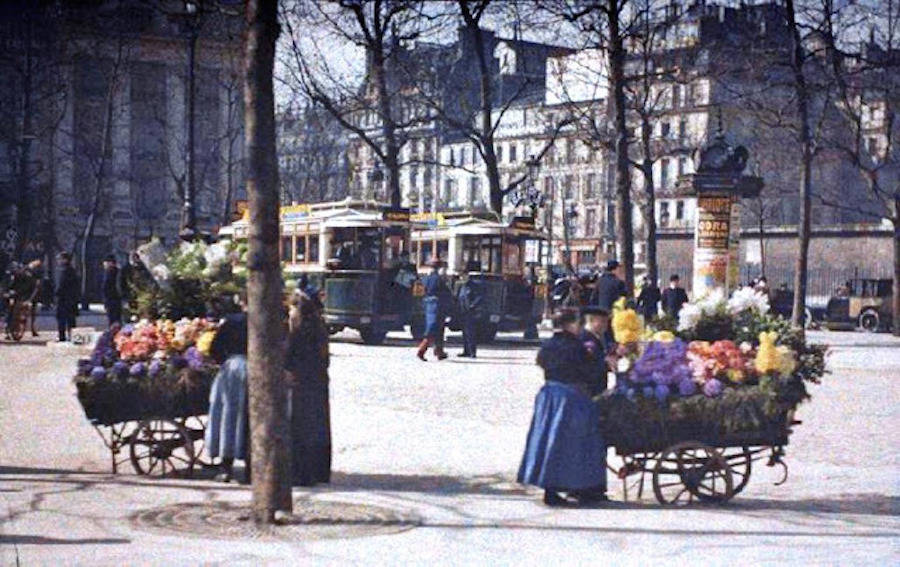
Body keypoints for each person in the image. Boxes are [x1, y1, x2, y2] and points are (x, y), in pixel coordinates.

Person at [517, 309, 607, 507]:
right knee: (575, 443)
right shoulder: (575, 346)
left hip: (549, 396)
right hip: (571, 398)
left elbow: (541, 362)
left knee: (549, 441)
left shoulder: (548, 345)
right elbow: (589, 372)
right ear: (570, 325)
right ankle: (580, 486)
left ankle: (550, 488)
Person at [285, 291, 332, 486]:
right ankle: (319, 471)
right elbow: (324, 358)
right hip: (318, 381)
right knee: (318, 427)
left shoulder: (297, 330)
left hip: (301, 383)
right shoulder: (319, 327)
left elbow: (289, 355)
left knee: (300, 428)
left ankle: (301, 473)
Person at [206, 294, 250, 483]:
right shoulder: (269, 320)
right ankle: (252, 466)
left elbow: (214, 348)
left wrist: (222, 361)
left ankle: (226, 465)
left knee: (228, 415)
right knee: (251, 419)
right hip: (260, 370)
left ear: (243, 303)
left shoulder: (233, 321)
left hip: (233, 369)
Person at [416, 259, 452, 361]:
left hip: (428, 305)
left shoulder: (425, 278)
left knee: (438, 329)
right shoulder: (439, 279)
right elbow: (446, 293)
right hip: (438, 305)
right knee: (434, 329)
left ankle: (439, 351)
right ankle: (422, 350)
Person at [456, 265, 484, 358]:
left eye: (463, 276)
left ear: (467, 275)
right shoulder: (462, 286)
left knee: (470, 333)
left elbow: (479, 297)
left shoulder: (473, 285)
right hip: (462, 312)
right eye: (460, 276)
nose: (462, 278)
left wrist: (472, 306)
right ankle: (466, 351)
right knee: (464, 333)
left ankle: (472, 352)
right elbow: (459, 297)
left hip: (470, 312)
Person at [54, 252, 79, 342]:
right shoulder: (73, 270)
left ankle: (62, 336)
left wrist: (56, 294)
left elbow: (60, 285)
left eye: (60, 259)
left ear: (65, 260)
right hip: (71, 299)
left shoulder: (62, 271)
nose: (58, 261)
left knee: (61, 319)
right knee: (71, 319)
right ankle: (73, 336)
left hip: (62, 299)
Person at [101, 255, 122, 326]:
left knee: (113, 319)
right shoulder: (112, 272)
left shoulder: (111, 272)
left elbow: (106, 287)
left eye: (106, 262)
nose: (104, 264)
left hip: (113, 299)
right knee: (115, 320)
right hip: (114, 299)